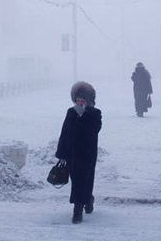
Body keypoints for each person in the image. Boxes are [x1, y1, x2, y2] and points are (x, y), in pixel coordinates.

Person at [55, 81, 102, 224]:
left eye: (83, 100)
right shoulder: (71, 112)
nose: (80, 103)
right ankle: (81, 205)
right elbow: (65, 132)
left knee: (86, 180)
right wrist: (62, 153)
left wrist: (83, 116)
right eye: (78, 100)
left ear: (89, 101)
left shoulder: (95, 113)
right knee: (76, 182)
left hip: (88, 154)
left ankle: (83, 205)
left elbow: (95, 130)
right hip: (73, 154)